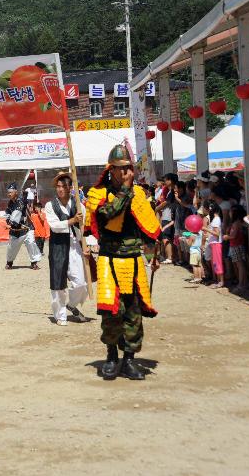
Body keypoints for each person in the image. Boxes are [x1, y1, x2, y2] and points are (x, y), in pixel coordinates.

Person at [85, 145, 161, 381]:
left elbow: (149, 230)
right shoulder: (98, 193)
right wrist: (127, 191)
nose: (124, 172)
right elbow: (109, 215)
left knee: (133, 312)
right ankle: (110, 356)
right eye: (119, 169)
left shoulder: (139, 194)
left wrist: (152, 257)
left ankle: (129, 359)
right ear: (111, 170)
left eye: (127, 168)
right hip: (110, 260)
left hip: (134, 259)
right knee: (111, 313)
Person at [44, 173, 88, 325]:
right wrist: (71, 220)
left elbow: (83, 228)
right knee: (58, 282)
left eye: (63, 186)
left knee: (81, 283)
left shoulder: (79, 205)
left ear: (70, 188)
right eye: (58, 186)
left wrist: (85, 244)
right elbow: (55, 226)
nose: (60, 189)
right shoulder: (50, 206)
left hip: (74, 245)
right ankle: (60, 315)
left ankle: (72, 305)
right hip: (58, 246)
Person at [4, 182, 41, 270]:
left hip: (27, 227)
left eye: (11, 192)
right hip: (15, 230)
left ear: (16, 192)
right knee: (12, 247)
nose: (9, 194)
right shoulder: (10, 203)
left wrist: (12, 223)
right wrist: (8, 222)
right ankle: (9, 262)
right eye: (8, 192)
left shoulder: (21, 201)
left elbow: (18, 212)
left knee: (31, 243)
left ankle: (34, 263)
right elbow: (8, 213)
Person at [223, 205, 248, 292]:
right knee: (240, 265)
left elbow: (233, 236)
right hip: (236, 245)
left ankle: (241, 284)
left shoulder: (236, 223)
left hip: (236, 246)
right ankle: (243, 283)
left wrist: (226, 236)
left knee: (240, 265)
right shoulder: (237, 222)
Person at [204, 200, 224, 288]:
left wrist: (206, 229)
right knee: (215, 263)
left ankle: (221, 281)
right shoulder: (215, 219)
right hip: (213, 243)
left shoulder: (216, 219)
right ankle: (218, 280)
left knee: (217, 263)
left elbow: (217, 233)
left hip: (216, 243)